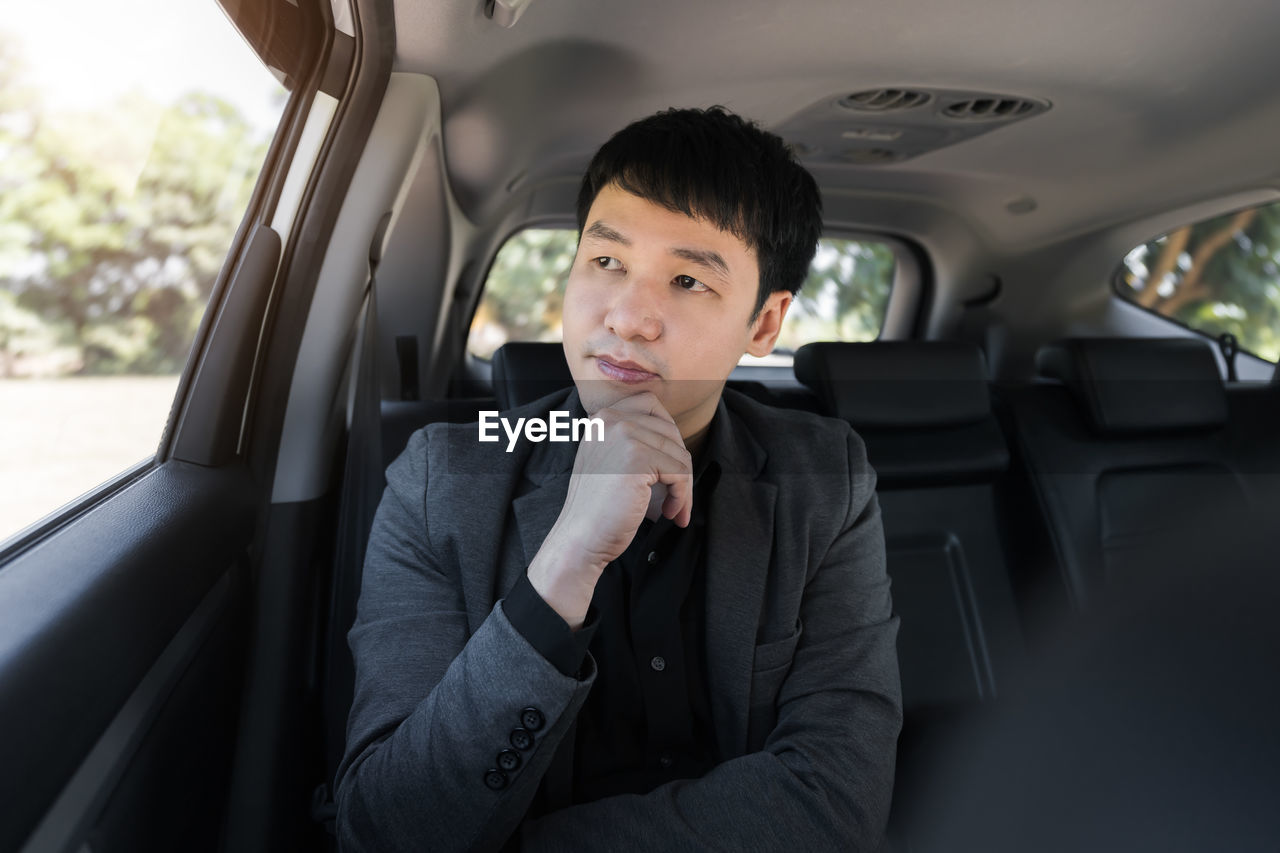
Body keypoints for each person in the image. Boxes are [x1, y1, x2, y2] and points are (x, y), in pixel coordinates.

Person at [336, 106, 901, 852]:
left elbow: (836, 803)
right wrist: (563, 565)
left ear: (764, 325)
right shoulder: (444, 477)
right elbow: (384, 829)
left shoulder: (824, 477)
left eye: (690, 279)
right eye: (607, 262)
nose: (630, 316)